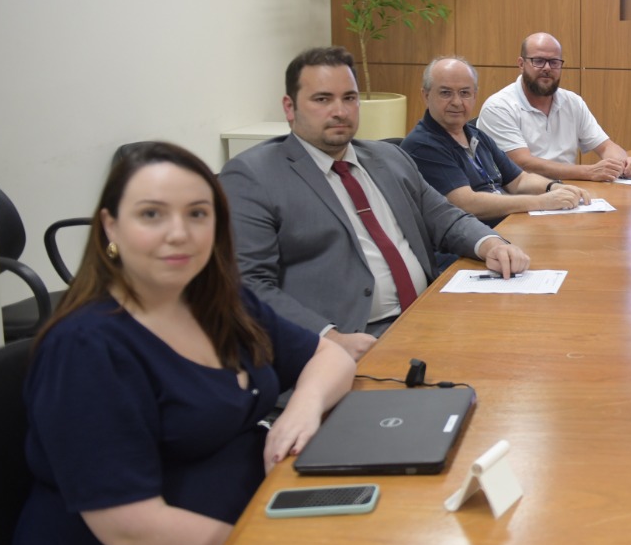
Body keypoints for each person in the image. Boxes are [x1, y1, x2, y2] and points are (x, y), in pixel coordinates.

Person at [8, 141, 356, 545]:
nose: (179, 233)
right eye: (152, 214)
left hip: (241, 540)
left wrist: (301, 410)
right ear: (110, 228)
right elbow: (132, 529)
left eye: (198, 214)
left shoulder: (217, 299)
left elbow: (329, 357)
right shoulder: (88, 348)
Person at [221, 46, 529, 361]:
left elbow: (446, 218)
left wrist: (490, 244)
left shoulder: (389, 157)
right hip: (348, 339)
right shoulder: (254, 177)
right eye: (322, 99)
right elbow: (249, 284)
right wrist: (328, 339)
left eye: (349, 98)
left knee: (522, 348)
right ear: (289, 108)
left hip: (432, 313)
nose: (339, 111)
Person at [403, 55, 591, 221]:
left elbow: (519, 181)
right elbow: (467, 203)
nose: (457, 102)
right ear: (426, 96)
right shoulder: (423, 145)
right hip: (468, 248)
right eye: (445, 93)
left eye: (465, 93)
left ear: (475, 96)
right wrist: (542, 201)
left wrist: (555, 187)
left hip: (508, 226)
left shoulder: (476, 135)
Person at [477, 32, 631, 183]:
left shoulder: (573, 102)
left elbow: (606, 146)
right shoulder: (498, 107)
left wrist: (622, 164)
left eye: (554, 62)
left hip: (567, 193)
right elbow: (522, 163)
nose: (547, 68)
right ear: (521, 64)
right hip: (519, 200)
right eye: (539, 61)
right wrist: (588, 172)